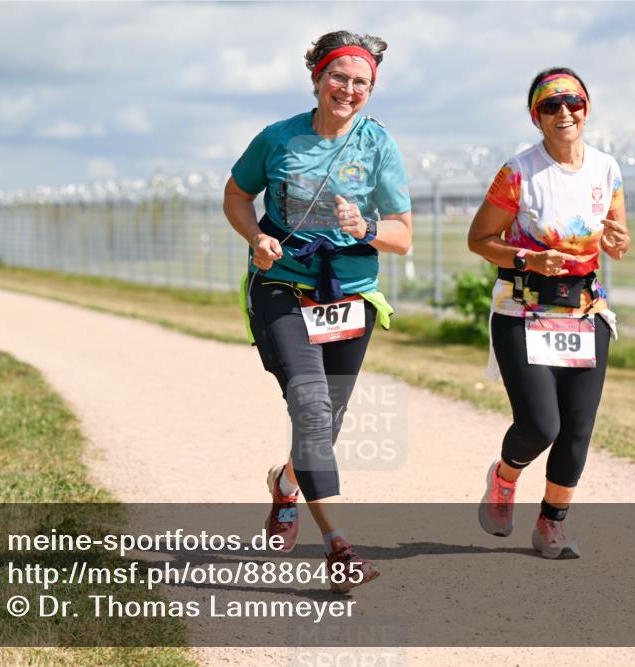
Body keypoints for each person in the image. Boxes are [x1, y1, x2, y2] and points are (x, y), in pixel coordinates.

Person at [223, 30, 412, 591]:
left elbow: (402, 236)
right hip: (281, 286)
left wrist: (366, 227)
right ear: (317, 78)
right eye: (339, 77)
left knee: (323, 425)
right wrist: (256, 236)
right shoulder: (278, 138)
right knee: (308, 403)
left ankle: (286, 485)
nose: (348, 90)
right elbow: (235, 195)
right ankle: (340, 547)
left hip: (350, 297)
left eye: (361, 83)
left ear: (371, 89)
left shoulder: (379, 145)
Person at [467, 67, 630, 559]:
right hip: (523, 309)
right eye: (550, 106)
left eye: (573, 103)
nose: (564, 113)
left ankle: (551, 525)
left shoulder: (606, 168)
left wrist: (620, 243)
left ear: (587, 107)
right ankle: (506, 475)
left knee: (578, 427)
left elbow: (615, 243)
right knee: (542, 425)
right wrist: (527, 258)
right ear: (535, 116)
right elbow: (479, 240)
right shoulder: (518, 172)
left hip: (585, 311)